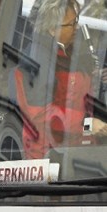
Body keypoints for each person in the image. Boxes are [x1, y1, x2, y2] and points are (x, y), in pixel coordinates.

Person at [15, 0, 107, 159]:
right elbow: (43, 116)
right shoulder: (34, 62)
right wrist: (87, 125)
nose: (76, 28)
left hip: (78, 155)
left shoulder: (69, 55)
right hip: (49, 159)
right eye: (71, 24)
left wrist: (97, 79)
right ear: (52, 29)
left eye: (76, 21)